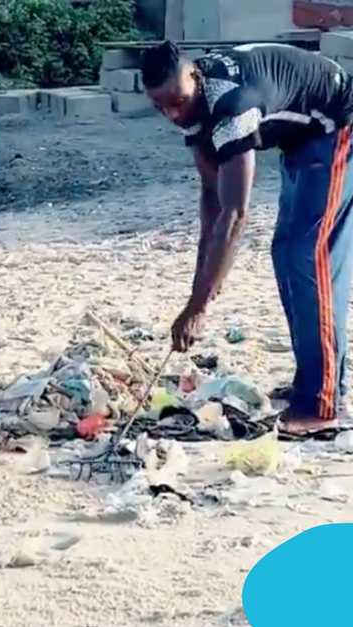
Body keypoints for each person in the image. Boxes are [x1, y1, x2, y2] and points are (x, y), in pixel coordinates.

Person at [141, 41, 353, 435]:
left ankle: (323, 403)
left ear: (195, 77)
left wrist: (199, 307)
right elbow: (213, 201)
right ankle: (313, 382)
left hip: (338, 121)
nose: (172, 114)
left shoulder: (232, 107)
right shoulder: (190, 107)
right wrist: (197, 293)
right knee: (285, 253)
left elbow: (236, 214)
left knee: (310, 257)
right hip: (301, 137)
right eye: (160, 106)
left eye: (177, 102)